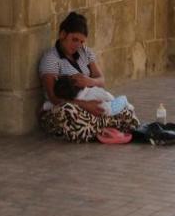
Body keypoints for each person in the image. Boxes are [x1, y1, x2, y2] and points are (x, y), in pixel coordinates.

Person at [38, 12, 139, 142]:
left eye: (81, 41)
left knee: (124, 110)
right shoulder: (51, 59)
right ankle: (105, 128)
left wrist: (89, 81)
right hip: (66, 107)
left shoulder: (84, 52)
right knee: (67, 111)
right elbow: (54, 97)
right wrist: (85, 105)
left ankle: (97, 129)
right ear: (63, 34)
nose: (77, 45)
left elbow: (101, 81)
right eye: (74, 40)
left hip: (89, 107)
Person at [52, 75, 133, 117]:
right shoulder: (91, 90)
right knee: (123, 98)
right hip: (108, 109)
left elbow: (53, 104)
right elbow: (107, 96)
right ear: (77, 84)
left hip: (95, 116)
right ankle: (128, 107)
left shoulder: (70, 102)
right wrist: (112, 100)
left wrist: (45, 106)